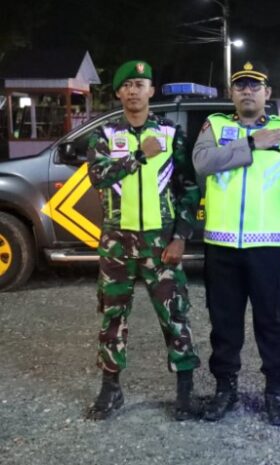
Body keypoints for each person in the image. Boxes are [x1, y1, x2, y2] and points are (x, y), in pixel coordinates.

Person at [192, 61, 280, 426]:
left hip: (271, 245)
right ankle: (225, 388)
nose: (247, 91)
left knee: (273, 321)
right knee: (224, 322)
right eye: (240, 85)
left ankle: (275, 391)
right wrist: (249, 144)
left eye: (254, 86)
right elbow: (202, 163)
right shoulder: (215, 126)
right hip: (222, 244)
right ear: (232, 93)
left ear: (267, 94)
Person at [85, 60, 201, 421]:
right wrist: (138, 156)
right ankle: (110, 390)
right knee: (113, 317)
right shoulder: (103, 136)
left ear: (152, 91)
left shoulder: (170, 135)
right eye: (127, 85)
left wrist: (181, 236)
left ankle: (185, 392)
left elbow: (189, 189)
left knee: (175, 314)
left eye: (141, 83)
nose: (134, 90)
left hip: (160, 244)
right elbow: (99, 177)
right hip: (117, 245)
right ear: (119, 93)